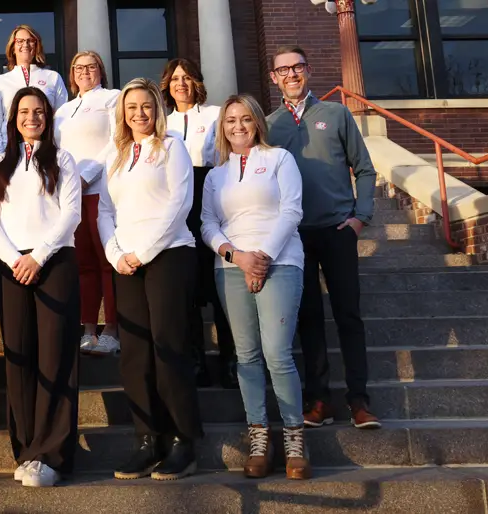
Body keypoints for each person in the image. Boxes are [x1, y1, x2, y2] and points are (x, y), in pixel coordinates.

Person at [266, 45, 381, 430]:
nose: (292, 75)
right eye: (283, 70)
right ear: (274, 78)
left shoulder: (335, 113)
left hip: (337, 230)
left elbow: (365, 169)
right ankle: (318, 400)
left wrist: (359, 219)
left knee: (348, 314)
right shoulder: (269, 125)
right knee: (309, 319)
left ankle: (359, 400)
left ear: (308, 70)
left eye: (297, 67)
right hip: (294, 238)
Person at [95, 78, 201, 481]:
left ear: (157, 109)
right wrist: (115, 254)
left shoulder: (172, 147)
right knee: (135, 353)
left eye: (146, 106)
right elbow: (105, 210)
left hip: (168, 255)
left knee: (167, 347)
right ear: (122, 113)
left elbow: (179, 204)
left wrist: (144, 252)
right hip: (127, 263)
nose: (139, 113)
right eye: (132, 107)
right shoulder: (117, 156)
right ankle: (147, 439)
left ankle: (182, 441)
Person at [201, 93, 309, 480]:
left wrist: (260, 256)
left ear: (257, 121)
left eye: (245, 118)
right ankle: (259, 437)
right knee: (246, 357)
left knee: (278, 353)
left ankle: (295, 438)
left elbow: (292, 210)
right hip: (230, 267)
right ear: (222, 127)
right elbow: (208, 225)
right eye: (230, 120)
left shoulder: (279, 159)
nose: (237, 126)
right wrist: (237, 257)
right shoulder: (216, 174)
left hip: (279, 261)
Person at [0, 87, 82, 488]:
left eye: (39, 111)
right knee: (18, 356)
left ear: (48, 117)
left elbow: (71, 213)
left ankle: (51, 454)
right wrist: (14, 259)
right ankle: (25, 451)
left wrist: (38, 256)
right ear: (13, 118)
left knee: (55, 358)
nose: (32, 117)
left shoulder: (63, 159)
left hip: (54, 260)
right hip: (11, 264)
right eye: (24, 111)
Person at [162, 57, 238, 389]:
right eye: (175, 78)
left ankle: (231, 361)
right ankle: (196, 361)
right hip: (181, 201)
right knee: (188, 287)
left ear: (197, 82)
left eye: (187, 77)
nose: (181, 83)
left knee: (221, 284)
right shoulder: (162, 123)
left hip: (214, 193)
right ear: (167, 85)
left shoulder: (216, 114)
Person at [53, 50, 120, 356]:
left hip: (102, 190)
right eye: (78, 67)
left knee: (107, 263)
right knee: (84, 265)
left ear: (100, 71)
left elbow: (118, 140)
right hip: (72, 196)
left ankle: (113, 330)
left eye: (91, 67)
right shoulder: (63, 110)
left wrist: (87, 175)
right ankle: (89, 329)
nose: (84, 72)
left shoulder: (112, 98)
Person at [0, 24, 68, 156]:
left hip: (45, 148)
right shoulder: (1, 81)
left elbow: (62, 117)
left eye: (30, 41)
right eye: (20, 41)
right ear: (13, 47)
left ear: (37, 46)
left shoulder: (53, 77)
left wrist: (56, 149)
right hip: (9, 149)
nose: (25, 44)